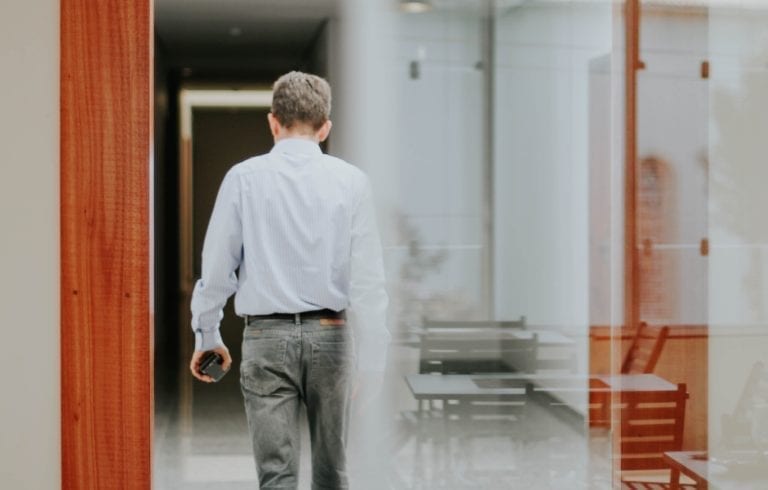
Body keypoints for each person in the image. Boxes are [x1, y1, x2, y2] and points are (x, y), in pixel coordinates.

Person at [188, 71, 390, 490]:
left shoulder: (243, 178)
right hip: (333, 337)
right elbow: (369, 282)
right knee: (333, 473)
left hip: (266, 338)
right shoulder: (352, 182)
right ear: (325, 127)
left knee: (276, 476)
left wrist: (207, 334)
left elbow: (217, 267)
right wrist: (373, 357)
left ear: (273, 121)